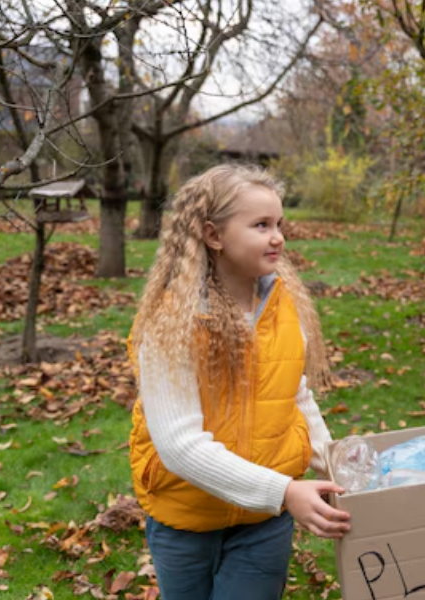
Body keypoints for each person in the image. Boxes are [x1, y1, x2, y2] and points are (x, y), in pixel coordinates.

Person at [127, 164, 351, 600]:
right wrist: (284, 491)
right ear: (214, 235)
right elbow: (179, 445)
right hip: (186, 519)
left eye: (279, 224)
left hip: (263, 526)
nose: (278, 237)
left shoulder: (281, 306)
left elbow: (294, 394)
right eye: (261, 225)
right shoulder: (170, 323)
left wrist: (336, 463)